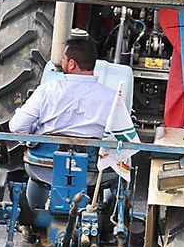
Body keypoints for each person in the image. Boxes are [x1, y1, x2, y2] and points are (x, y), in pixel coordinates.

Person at [7, 31, 132, 186]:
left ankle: (33, 207)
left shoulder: (48, 89)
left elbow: (17, 126)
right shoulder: (113, 98)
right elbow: (123, 139)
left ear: (72, 64)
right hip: (91, 173)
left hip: (43, 167)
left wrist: (32, 139)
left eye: (64, 59)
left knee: (36, 180)